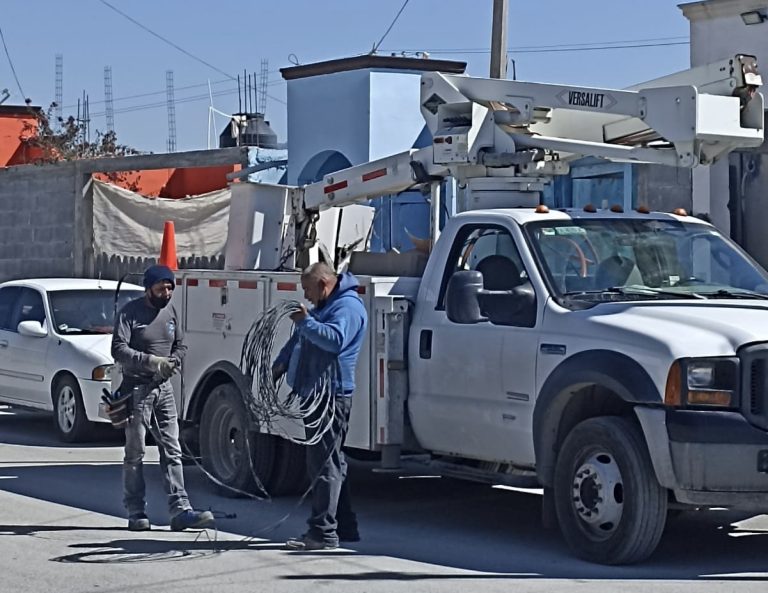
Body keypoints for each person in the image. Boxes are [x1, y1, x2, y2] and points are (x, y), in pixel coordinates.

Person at [111, 264, 215, 532]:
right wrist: (151, 361)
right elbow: (118, 349)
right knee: (135, 453)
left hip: (163, 390)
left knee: (172, 449)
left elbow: (181, 344)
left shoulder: (170, 311)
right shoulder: (130, 313)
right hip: (136, 391)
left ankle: (181, 510)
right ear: (149, 289)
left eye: (170, 287)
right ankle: (136, 511)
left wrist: (173, 360)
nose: (166, 292)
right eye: (161, 288)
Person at [272, 262, 368, 550]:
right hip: (318, 393)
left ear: (324, 285)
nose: (307, 297)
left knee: (323, 463)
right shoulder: (329, 304)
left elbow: (335, 340)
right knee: (332, 462)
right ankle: (344, 525)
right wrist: (283, 360)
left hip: (330, 396)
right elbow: (303, 336)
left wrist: (305, 321)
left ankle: (322, 533)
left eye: (309, 290)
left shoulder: (347, 308)